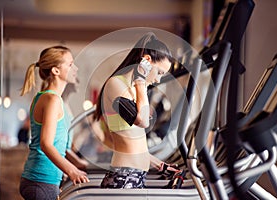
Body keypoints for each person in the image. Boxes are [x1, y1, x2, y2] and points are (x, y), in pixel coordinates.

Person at [93, 32, 180, 189]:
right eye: (159, 72)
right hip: (124, 176)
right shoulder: (116, 85)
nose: (158, 79)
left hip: (133, 175)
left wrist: (160, 165)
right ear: (146, 61)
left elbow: (135, 144)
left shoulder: (133, 89)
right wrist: (141, 80)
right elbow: (142, 121)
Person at [19, 45, 89, 200]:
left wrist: (79, 164)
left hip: (43, 180)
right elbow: (46, 144)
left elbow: (59, 144)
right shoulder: (51, 99)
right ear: (55, 71)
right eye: (70, 64)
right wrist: (71, 170)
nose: (75, 68)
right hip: (41, 180)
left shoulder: (49, 98)